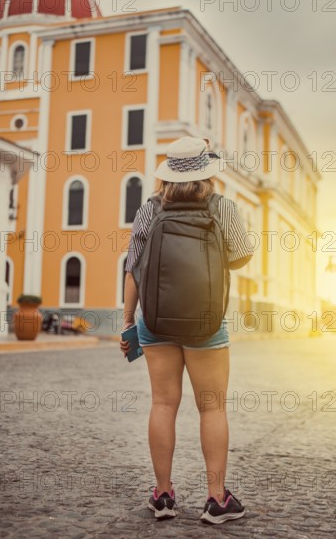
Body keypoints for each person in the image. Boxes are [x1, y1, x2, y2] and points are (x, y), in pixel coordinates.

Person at [119, 136, 254, 525]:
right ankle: (216, 499)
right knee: (211, 406)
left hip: (155, 320)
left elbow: (134, 269)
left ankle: (162, 496)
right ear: (206, 169)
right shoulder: (222, 207)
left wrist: (129, 321)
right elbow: (241, 256)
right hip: (206, 321)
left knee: (163, 403)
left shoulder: (149, 210)